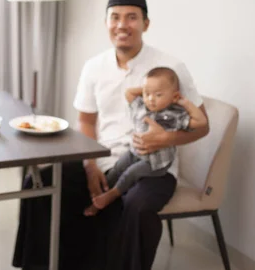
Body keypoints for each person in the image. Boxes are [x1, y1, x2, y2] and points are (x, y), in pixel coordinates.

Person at [12, 0, 210, 270]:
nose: (122, 25)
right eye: (115, 17)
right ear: (106, 23)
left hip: (154, 166)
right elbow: (87, 122)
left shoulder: (170, 67)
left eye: (131, 17)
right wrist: (90, 165)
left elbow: (202, 126)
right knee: (38, 182)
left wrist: (166, 138)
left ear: (146, 24)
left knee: (137, 206)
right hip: (102, 158)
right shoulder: (94, 67)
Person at [85, 66, 208, 213]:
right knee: (117, 168)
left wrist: (184, 102)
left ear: (174, 96)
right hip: (135, 152)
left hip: (155, 162)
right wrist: (147, 89)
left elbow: (202, 122)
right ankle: (100, 198)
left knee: (131, 173)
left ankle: (112, 195)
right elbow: (128, 92)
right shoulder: (141, 106)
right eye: (147, 94)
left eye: (158, 95)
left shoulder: (174, 115)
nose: (151, 99)